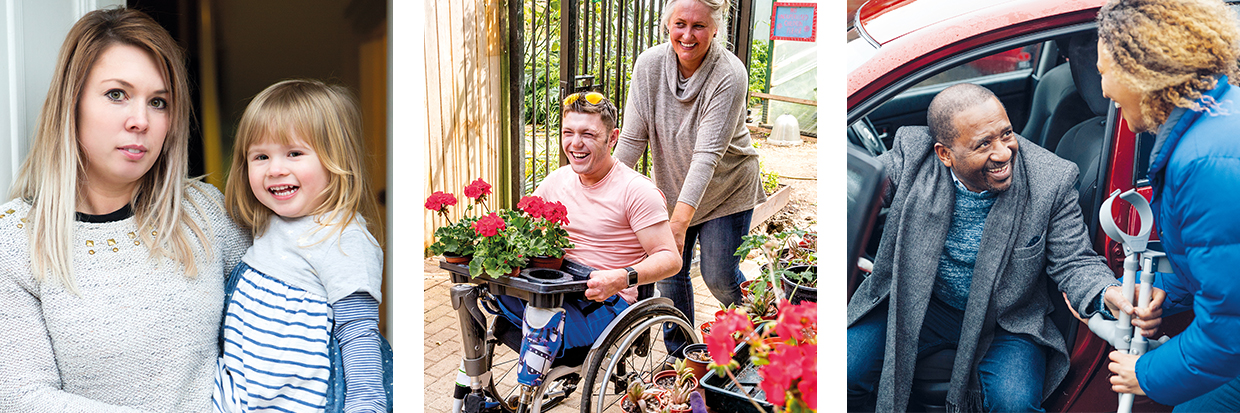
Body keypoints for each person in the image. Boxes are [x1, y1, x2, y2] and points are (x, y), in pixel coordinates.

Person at [846, 83, 1161, 412]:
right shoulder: (913, 155)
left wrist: (1109, 293)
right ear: (945, 154)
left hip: (1007, 319)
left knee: (1016, 404)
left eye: (1006, 134)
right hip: (923, 303)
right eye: (983, 144)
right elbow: (855, 192)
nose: (1003, 153)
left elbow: (1074, 262)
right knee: (844, 370)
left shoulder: (1051, 180)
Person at [0, 8, 250, 412]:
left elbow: (291, 315)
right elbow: (21, 397)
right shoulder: (15, 239)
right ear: (72, 101)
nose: (140, 121)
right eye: (117, 94)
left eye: (158, 102)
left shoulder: (205, 214)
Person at [450, 92, 681, 410]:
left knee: (542, 314)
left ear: (612, 138)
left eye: (588, 134)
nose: (575, 143)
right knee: (472, 296)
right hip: (556, 286)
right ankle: (474, 390)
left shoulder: (636, 191)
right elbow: (524, 232)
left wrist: (621, 277)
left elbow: (671, 258)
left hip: (605, 305)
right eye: (568, 133)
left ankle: (527, 399)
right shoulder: (557, 181)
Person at [1097, 0, 1240, 410]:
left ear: (1145, 70)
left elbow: (1231, 326)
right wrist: (1168, 292)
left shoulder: (1204, 163)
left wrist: (1143, 374)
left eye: (1107, 71)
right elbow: (1224, 263)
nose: (1104, 89)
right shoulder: (1213, 119)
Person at [214, 80, 387, 413]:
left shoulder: (343, 238)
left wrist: (367, 405)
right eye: (260, 156)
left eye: (294, 153)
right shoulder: (268, 224)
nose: (276, 169)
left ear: (336, 159)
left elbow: (358, 334)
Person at [613, 0, 765, 339]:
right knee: (670, 276)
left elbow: (706, 157)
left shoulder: (729, 73)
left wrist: (677, 225)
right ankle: (683, 358)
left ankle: (762, 331)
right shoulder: (649, 65)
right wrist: (601, 190)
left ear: (714, 29)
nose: (687, 35)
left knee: (719, 277)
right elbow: (632, 141)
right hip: (673, 188)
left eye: (698, 26)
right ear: (668, 23)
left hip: (726, 189)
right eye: (680, 23)